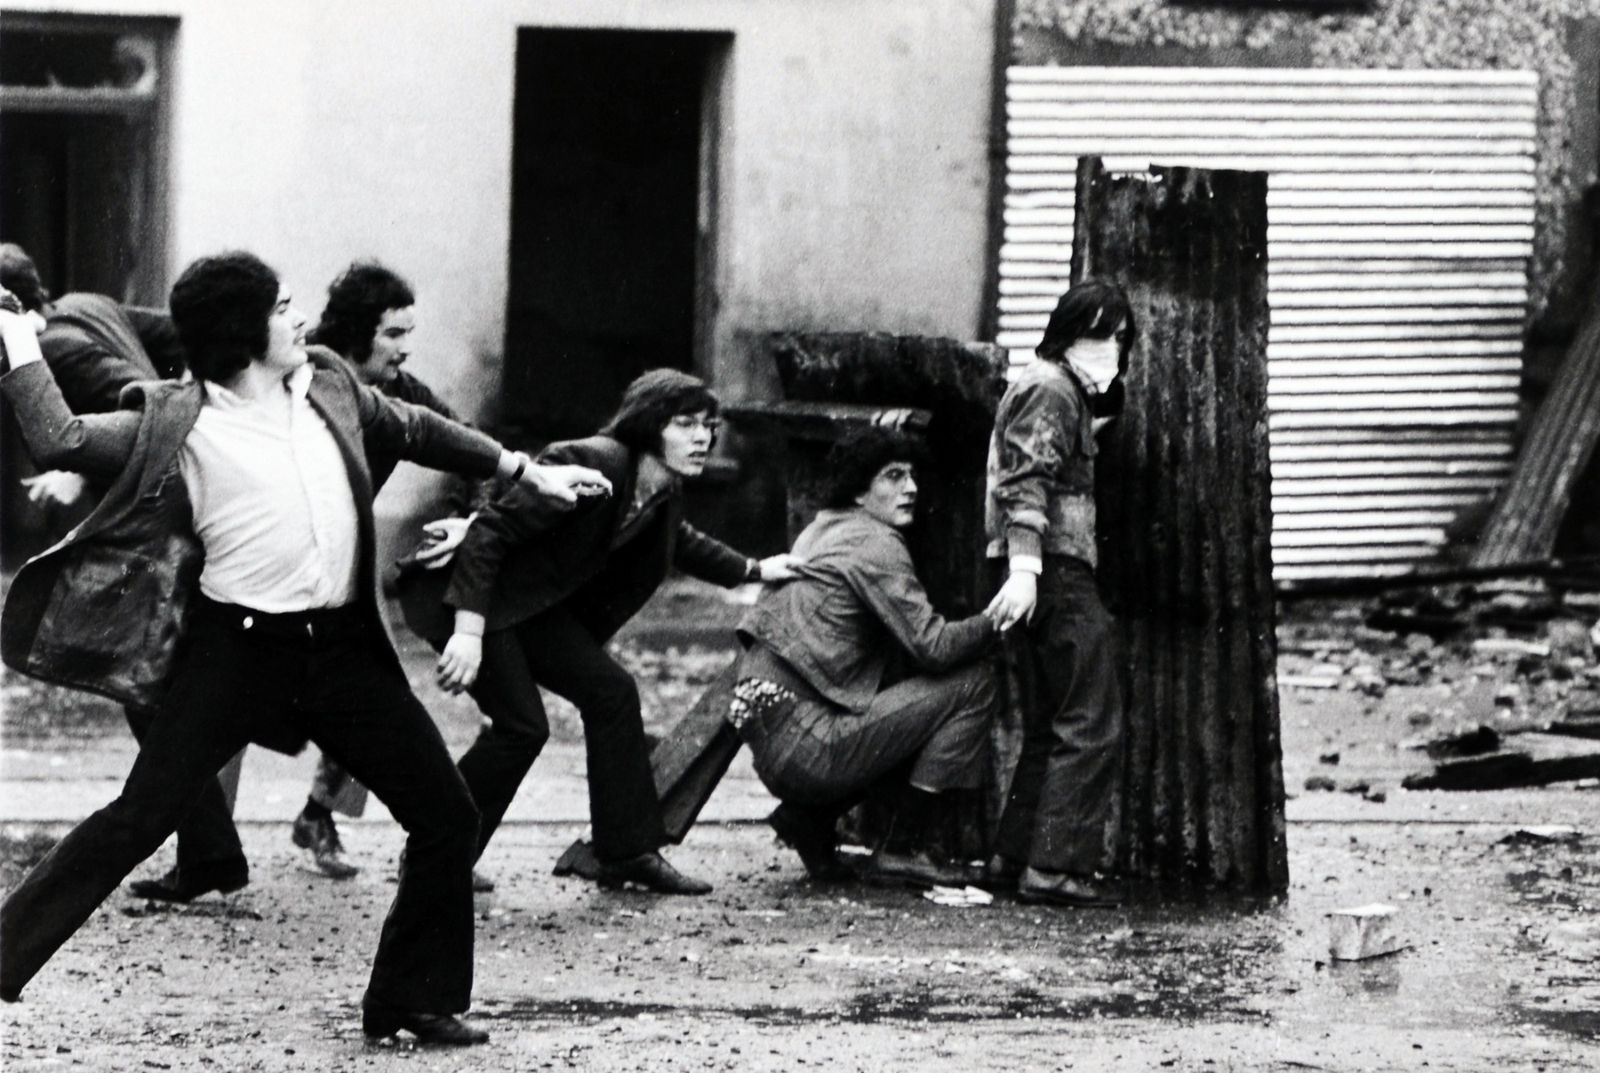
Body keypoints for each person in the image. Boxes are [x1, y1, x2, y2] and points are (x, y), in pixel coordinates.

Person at [0, 253, 609, 1045]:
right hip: (237, 651)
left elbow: (416, 427)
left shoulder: (330, 384)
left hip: (342, 652)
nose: (300, 319)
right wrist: (17, 337)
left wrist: (524, 470)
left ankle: (410, 998)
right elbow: (61, 438)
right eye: (282, 306)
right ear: (243, 330)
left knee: (446, 815)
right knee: (137, 818)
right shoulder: (179, 420)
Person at [425, 368, 801, 894]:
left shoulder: (661, 488)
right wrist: (468, 633)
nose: (703, 438)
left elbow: (679, 540)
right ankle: (438, 854)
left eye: (708, 426)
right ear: (648, 424)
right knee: (522, 727)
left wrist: (755, 569)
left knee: (612, 694)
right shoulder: (593, 460)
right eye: (686, 424)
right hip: (479, 601)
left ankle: (624, 852)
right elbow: (489, 533)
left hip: (534, 612)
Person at [0, 243, 252, 904]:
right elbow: (177, 336)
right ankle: (210, 851)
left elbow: (143, 413)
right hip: (169, 516)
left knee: (145, 678)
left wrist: (84, 463)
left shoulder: (55, 348)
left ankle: (210, 851)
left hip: (156, 524)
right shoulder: (86, 305)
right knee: (150, 680)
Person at [726, 427, 1000, 886]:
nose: (910, 488)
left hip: (773, 739)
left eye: (911, 475)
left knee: (898, 691)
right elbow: (934, 647)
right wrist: (998, 619)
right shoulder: (876, 543)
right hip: (807, 746)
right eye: (893, 476)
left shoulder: (825, 526)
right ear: (858, 490)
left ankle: (809, 819)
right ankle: (902, 847)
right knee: (974, 683)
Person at [286, 260, 483, 881]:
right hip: (271, 561)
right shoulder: (301, 374)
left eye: (408, 333)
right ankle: (201, 845)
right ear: (356, 331)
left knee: (375, 688)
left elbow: (468, 445)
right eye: (393, 333)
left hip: (348, 561)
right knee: (231, 698)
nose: (405, 347)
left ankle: (323, 815)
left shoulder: (404, 391)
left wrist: (470, 518)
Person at [982, 279, 1135, 908]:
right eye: (1098, 334)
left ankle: (1016, 856)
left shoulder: (1056, 388)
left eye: (1119, 338)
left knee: (1054, 721)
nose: (1110, 348)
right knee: (1091, 719)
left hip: (1044, 571)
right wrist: (1027, 567)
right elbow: (1026, 481)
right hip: (1055, 570)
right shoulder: (1051, 387)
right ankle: (1055, 868)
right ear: (1067, 333)